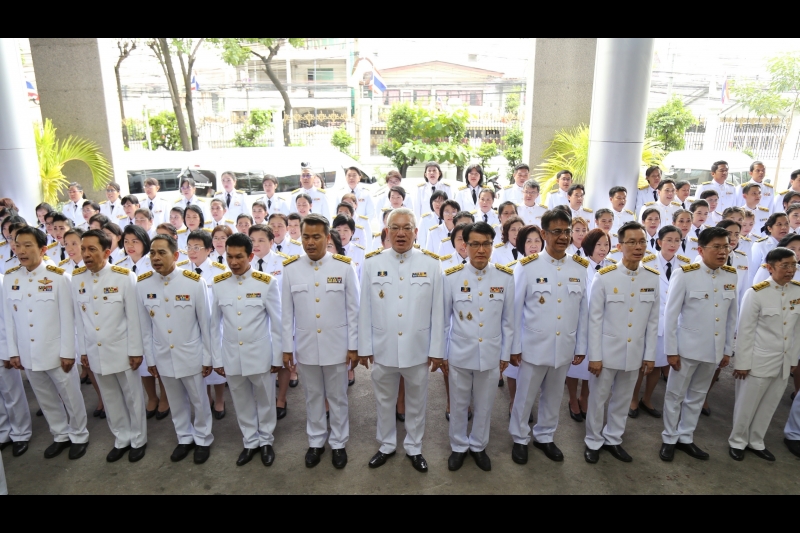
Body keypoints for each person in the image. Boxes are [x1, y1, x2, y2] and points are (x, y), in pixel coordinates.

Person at [358, 207, 444, 473]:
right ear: (387, 232)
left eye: (407, 228)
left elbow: (438, 311)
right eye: (395, 228)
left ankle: (414, 447)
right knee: (384, 400)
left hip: (417, 348)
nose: (401, 233)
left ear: (416, 233)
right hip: (384, 347)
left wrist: (437, 350)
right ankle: (386, 445)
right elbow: (365, 309)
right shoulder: (372, 263)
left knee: (417, 402)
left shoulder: (431, 264)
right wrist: (364, 347)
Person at [509, 209, 589, 465]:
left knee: (554, 396)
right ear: (544, 234)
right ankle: (520, 438)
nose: (563, 237)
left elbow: (583, 311)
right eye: (557, 231)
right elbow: (515, 310)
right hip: (533, 345)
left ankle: (545, 436)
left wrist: (581, 345)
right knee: (525, 395)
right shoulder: (527, 267)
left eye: (566, 231)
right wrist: (514, 346)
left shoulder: (579, 267)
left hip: (564, 344)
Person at [280, 214, 359, 469]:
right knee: (312, 396)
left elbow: (353, 311)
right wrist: (286, 348)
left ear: (327, 238)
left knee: (337, 397)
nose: (310, 242)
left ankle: (338, 443)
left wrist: (353, 346)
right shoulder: (291, 269)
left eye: (316, 237)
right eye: (305, 237)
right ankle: (315, 442)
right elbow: (286, 314)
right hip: (305, 346)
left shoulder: (344, 267)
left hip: (337, 346)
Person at [4, 227, 85, 459]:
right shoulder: (10, 278)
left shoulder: (59, 277)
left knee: (70, 395)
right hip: (28, 353)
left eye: (28, 245)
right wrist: (14, 351)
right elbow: (9, 320)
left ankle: (79, 435)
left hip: (57, 351)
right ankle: (60, 434)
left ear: (42, 249)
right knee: (45, 398)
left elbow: (69, 319)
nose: (21, 250)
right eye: (18, 245)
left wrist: (69, 352)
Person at [659, 227, 738, 462]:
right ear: (701, 250)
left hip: (712, 351)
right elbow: (670, 315)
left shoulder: (731, 275)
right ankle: (669, 438)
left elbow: (731, 317)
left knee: (698, 395)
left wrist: (727, 349)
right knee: (675, 395)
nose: (723, 251)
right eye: (717, 246)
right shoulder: (686, 273)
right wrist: (671, 351)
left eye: (726, 246)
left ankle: (686, 437)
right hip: (686, 349)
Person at [583, 221, 659, 464]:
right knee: (598, 399)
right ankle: (593, 441)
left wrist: (649, 355)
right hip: (606, 353)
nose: (638, 247)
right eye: (632, 242)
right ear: (619, 246)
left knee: (623, 399)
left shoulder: (652, 278)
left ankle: (613, 438)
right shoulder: (604, 277)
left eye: (642, 242)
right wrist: (594, 355)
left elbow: (653, 321)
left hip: (634, 353)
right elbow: (593, 320)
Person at [443, 221, 514, 472]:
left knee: (485, 404)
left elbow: (509, 321)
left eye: (486, 244)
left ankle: (478, 446)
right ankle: (459, 446)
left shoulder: (505, 277)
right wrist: (442, 354)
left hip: (491, 353)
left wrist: (505, 354)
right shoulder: (452, 277)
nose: (481, 250)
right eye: (475, 244)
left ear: (492, 246)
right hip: (460, 353)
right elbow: (443, 321)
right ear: (465, 245)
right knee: (460, 403)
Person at [137, 234, 214, 464]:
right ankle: (184, 438)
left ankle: (202, 439)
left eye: (162, 252)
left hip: (191, 353)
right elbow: (145, 327)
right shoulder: (143, 284)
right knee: (175, 400)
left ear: (176, 256)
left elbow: (206, 324)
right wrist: (150, 359)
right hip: (163, 355)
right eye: (152, 253)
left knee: (198, 400)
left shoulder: (193, 282)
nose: (156, 257)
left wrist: (208, 357)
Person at [210, 233, 283, 467]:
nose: (233, 262)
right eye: (229, 257)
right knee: (241, 401)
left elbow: (278, 323)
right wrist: (217, 358)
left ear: (250, 256)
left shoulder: (266, 282)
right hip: (232, 355)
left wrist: (278, 356)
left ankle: (266, 441)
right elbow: (214, 325)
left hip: (260, 354)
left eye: (239, 256)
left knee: (265, 400)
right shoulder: (219, 284)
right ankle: (250, 441)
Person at [74, 229, 147, 463]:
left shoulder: (124, 277)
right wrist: (83, 351)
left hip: (122, 350)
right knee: (110, 397)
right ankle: (121, 438)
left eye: (92, 249)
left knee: (132, 396)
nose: (86, 254)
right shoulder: (76, 279)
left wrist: (136, 350)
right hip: (96, 352)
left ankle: (138, 439)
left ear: (106, 252)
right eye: (83, 249)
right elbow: (79, 319)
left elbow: (135, 318)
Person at [728, 247, 800, 461]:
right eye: (784, 265)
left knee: (769, 404)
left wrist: (793, 359)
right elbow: (745, 330)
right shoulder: (756, 293)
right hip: (757, 360)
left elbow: (796, 331)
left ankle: (756, 441)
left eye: (793, 265)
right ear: (770, 268)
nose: (790, 270)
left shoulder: (798, 291)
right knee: (746, 404)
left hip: (783, 362)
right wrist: (741, 362)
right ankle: (738, 441)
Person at [628, 225, 688, 420]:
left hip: (672, 325)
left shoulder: (686, 265)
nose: (673, 244)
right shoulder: (647, 262)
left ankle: (647, 398)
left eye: (677, 240)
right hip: (649, 321)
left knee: (660, 363)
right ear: (659, 242)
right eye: (669, 240)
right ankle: (633, 398)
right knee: (641, 364)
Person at [566, 228, 613, 423]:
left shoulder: (612, 268)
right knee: (575, 365)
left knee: (592, 366)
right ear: (589, 246)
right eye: (598, 244)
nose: (603, 249)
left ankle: (584, 397)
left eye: (606, 245)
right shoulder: (578, 267)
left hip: (602, 326)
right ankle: (572, 399)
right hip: (579, 324)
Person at [185, 229, 228, 419]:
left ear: (209, 249)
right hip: (191, 328)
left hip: (214, 326)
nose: (192, 251)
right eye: (189, 247)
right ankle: (205, 398)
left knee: (216, 364)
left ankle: (220, 398)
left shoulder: (220, 272)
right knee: (197, 366)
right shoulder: (182, 271)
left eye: (197, 247)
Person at [502, 225, 544, 394]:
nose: (533, 245)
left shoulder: (546, 266)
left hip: (540, 333)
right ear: (521, 244)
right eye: (529, 241)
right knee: (515, 371)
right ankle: (513, 400)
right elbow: (513, 310)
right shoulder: (517, 268)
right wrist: (513, 343)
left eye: (537, 241)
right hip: (520, 330)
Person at [749, 213, 791, 284]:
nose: (784, 227)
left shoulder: (792, 245)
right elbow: (751, 272)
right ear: (770, 228)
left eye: (786, 224)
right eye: (779, 224)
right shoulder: (760, 245)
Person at [332, 215, 365, 279]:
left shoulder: (360, 252)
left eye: (345, 230)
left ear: (352, 232)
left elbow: (362, 278)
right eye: (338, 230)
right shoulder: (327, 250)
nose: (342, 234)